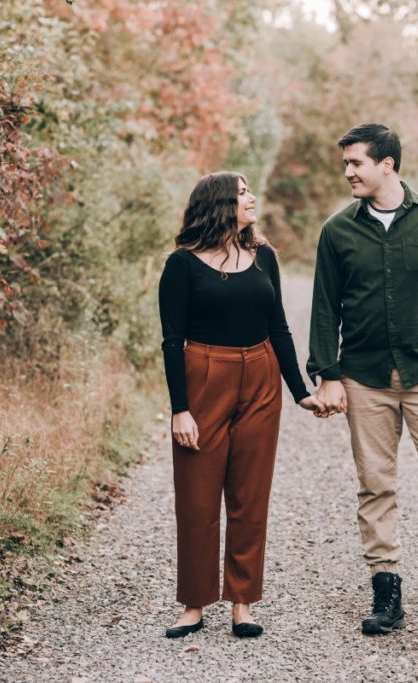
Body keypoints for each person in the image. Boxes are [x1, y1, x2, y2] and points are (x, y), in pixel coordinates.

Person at [307, 123, 418, 637]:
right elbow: (325, 309)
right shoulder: (338, 231)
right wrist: (328, 375)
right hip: (365, 377)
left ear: (387, 164)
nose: (347, 172)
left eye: (355, 163)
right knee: (375, 485)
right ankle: (386, 596)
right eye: (345, 164)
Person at [158, 171, 321, 639]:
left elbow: (281, 329)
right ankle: (193, 604)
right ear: (219, 204)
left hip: (261, 375)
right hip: (205, 374)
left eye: (250, 191)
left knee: (250, 494)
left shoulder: (264, 255)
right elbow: (172, 341)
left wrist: (300, 391)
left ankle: (242, 603)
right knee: (198, 495)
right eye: (243, 192)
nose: (252, 199)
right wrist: (180, 409)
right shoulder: (182, 265)